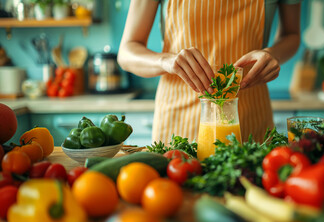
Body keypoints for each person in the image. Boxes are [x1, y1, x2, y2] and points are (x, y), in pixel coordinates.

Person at [118, 0, 301, 144]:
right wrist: (167, 61)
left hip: (250, 115)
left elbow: (291, 35)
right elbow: (127, 52)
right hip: (178, 118)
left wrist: (272, 55)